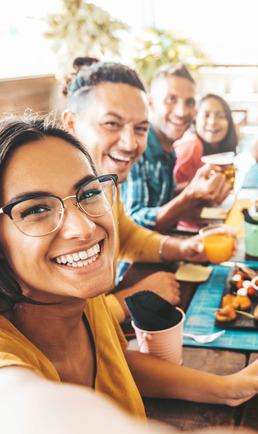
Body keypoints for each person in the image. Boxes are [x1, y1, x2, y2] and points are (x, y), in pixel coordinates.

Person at [0, 116, 258, 434]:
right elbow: (7, 408)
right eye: (36, 208)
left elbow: (118, 365)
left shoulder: (83, 304)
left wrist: (228, 388)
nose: (83, 228)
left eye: (88, 193)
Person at [60, 59, 219, 320]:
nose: (130, 143)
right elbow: (55, 323)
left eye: (141, 128)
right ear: (71, 123)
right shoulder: (55, 202)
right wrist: (130, 299)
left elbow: (127, 234)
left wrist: (184, 247)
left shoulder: (105, 183)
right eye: (112, 123)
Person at [121, 64, 231, 231]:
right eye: (171, 99)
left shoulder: (168, 149)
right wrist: (189, 195)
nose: (181, 112)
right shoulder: (136, 148)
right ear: (150, 104)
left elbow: (164, 199)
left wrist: (200, 191)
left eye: (189, 102)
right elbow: (132, 225)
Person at [173, 94, 238, 188]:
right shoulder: (192, 145)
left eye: (220, 116)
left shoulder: (220, 149)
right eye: (206, 115)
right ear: (195, 119)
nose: (212, 122)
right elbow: (171, 191)